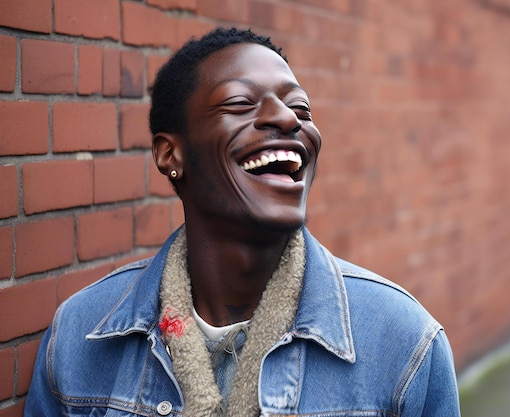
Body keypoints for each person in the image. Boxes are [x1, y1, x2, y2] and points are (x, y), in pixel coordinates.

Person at [25, 27, 461, 417]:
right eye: (239, 103)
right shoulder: (80, 338)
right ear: (170, 154)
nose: (288, 119)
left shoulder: (403, 343)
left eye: (301, 110)